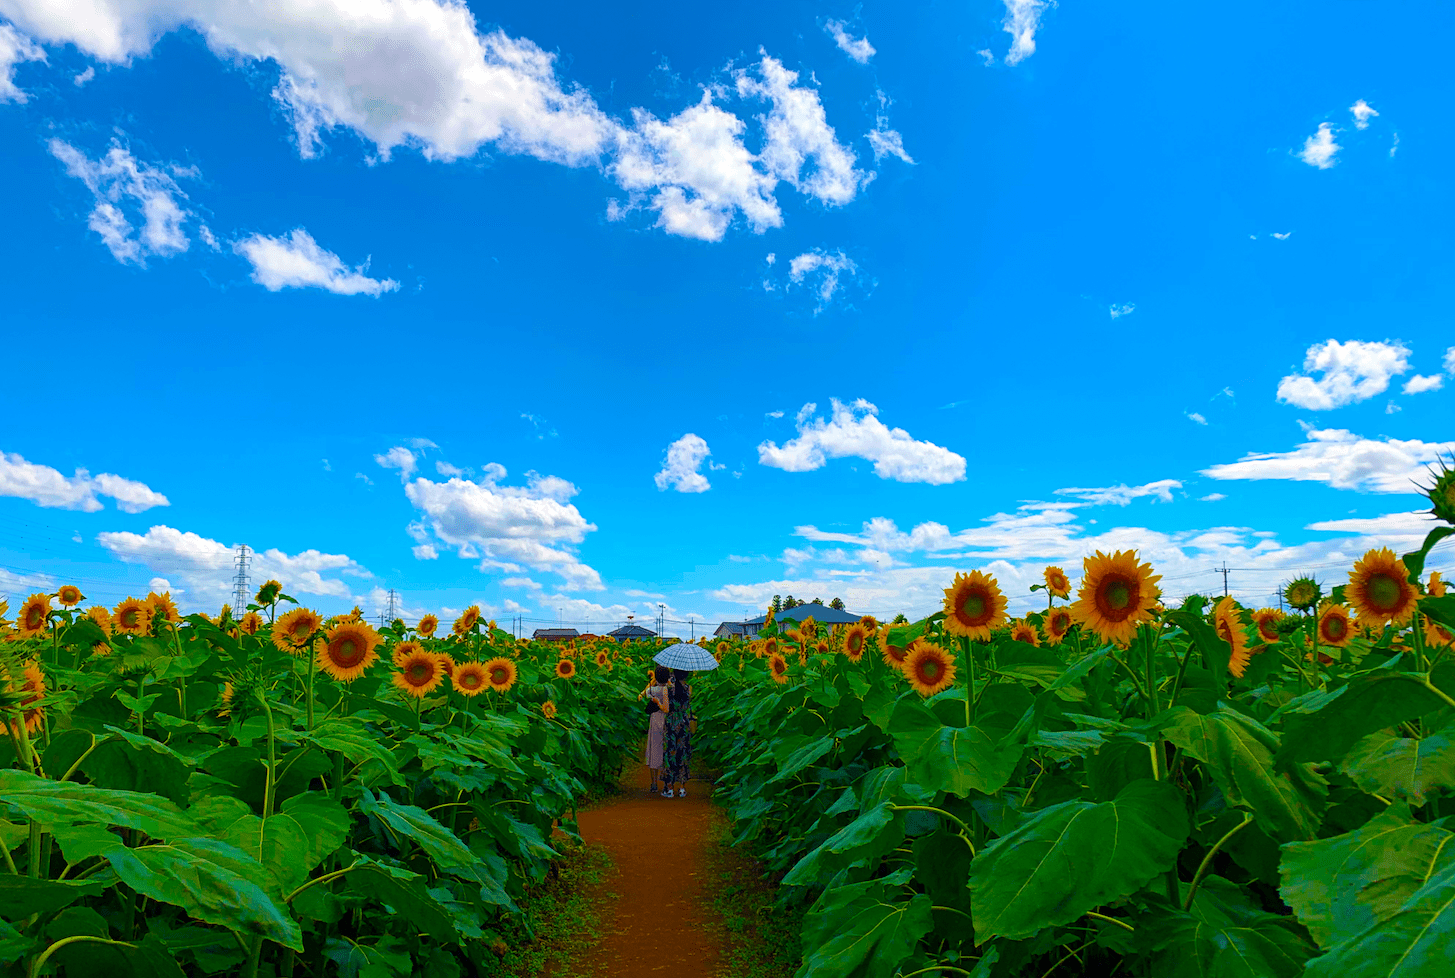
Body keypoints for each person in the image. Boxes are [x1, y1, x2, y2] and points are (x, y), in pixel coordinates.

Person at [661, 668, 694, 798]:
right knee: (683, 753)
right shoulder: (689, 688)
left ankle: (669, 788)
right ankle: (682, 788)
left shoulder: (667, 689)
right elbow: (687, 704)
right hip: (683, 722)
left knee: (670, 753)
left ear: (674, 673)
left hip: (671, 722)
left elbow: (666, 708)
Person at [640, 666, 671, 793]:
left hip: (654, 720)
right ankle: (666, 781)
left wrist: (652, 683)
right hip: (666, 721)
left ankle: (653, 783)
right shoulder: (669, 690)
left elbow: (643, 694)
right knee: (666, 750)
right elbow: (668, 708)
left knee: (654, 750)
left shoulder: (652, 690)